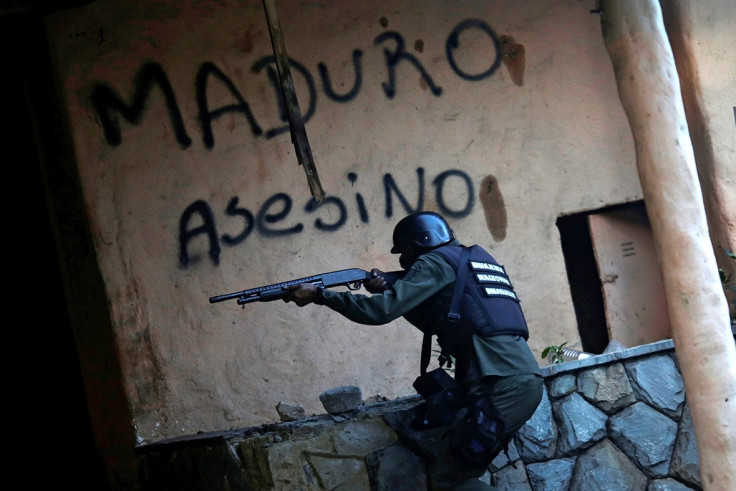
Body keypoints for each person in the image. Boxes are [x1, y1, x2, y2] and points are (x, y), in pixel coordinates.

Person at [284, 211, 543, 490]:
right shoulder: (467, 259)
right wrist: (388, 289)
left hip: (502, 384)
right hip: (512, 378)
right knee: (453, 464)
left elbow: (380, 313)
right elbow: (442, 319)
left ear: (421, 242)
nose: (403, 259)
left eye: (404, 250)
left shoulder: (433, 262)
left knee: (449, 480)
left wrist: (322, 295)